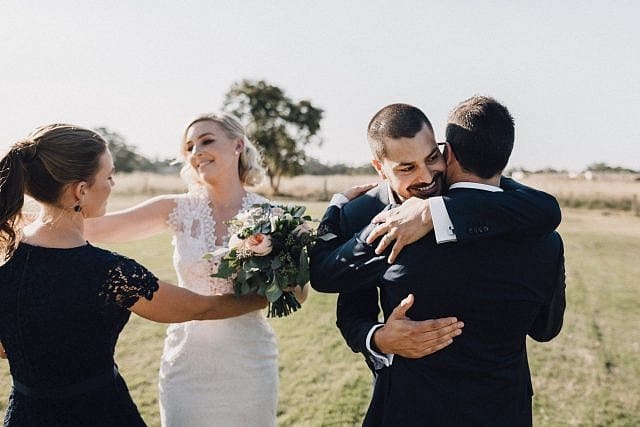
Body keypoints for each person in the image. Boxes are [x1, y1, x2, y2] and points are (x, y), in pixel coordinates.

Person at [313, 97, 566, 426]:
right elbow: (546, 330)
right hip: (503, 412)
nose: (426, 174)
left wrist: (333, 209)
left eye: (431, 158)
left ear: (447, 152)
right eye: (407, 167)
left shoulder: (395, 231)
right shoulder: (546, 240)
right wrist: (377, 338)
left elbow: (323, 275)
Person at [0, 124, 267, 426]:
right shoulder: (111, 273)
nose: (113, 184)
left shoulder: (6, 261)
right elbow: (201, 307)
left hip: (27, 415)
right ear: (81, 190)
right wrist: (262, 297)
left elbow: (4, 349)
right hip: (102, 413)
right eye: (109, 176)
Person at [83, 112, 304, 427]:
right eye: (189, 146)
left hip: (249, 363)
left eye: (207, 140)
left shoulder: (274, 216)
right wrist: (19, 218)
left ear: (238, 145)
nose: (196, 151)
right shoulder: (176, 209)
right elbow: (95, 230)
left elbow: (299, 293)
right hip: (186, 363)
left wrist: (271, 283)